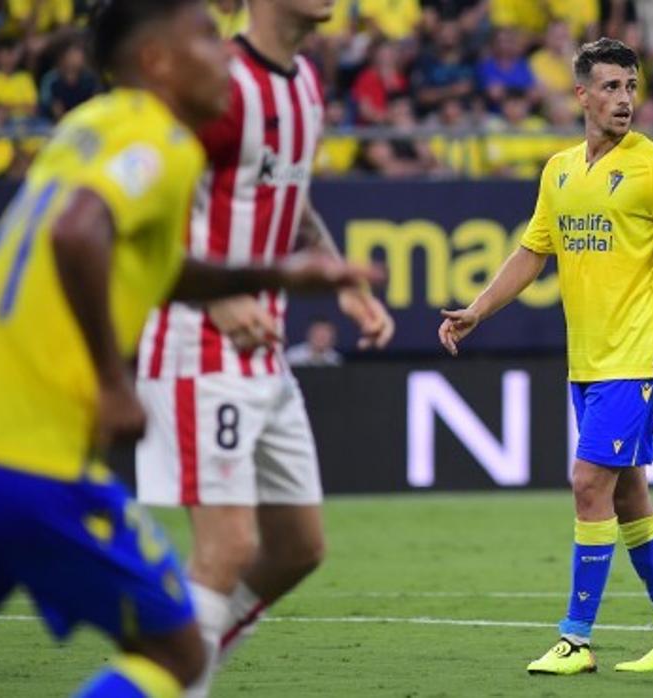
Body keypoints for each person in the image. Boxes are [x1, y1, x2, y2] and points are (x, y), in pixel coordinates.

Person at [0, 1, 380, 695]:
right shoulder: (158, 141)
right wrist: (113, 382)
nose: (220, 51)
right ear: (157, 61)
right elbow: (78, 233)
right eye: (203, 38)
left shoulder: (90, 127)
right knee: (177, 646)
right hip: (35, 462)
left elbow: (149, 259)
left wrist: (286, 274)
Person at [438, 37, 653, 675]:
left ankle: (575, 639)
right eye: (610, 87)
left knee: (589, 484)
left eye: (631, 87)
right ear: (580, 93)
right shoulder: (558, 170)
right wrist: (478, 309)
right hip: (587, 365)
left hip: (635, 362)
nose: (624, 100)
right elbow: (532, 253)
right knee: (631, 495)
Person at [133, 2, 396, 696]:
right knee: (229, 546)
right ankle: (173, 678)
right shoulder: (219, 81)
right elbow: (150, 201)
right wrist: (216, 294)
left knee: (299, 547)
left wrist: (339, 277)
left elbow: (289, 196)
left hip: (264, 348)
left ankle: (176, 664)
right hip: (199, 340)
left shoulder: (306, 82)